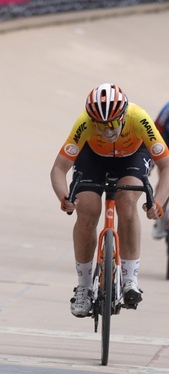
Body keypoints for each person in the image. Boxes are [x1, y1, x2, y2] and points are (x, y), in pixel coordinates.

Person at [50, 83, 169, 318]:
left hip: (132, 156)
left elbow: (166, 166)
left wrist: (158, 201)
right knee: (87, 209)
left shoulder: (139, 118)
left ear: (124, 114)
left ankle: (130, 280)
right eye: (100, 125)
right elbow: (59, 168)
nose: (107, 130)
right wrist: (64, 196)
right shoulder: (84, 122)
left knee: (127, 202)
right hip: (93, 157)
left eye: (113, 123)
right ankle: (83, 287)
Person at [151, 102, 169, 239]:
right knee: (166, 178)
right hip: (166, 140)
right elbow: (156, 129)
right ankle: (160, 219)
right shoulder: (167, 109)